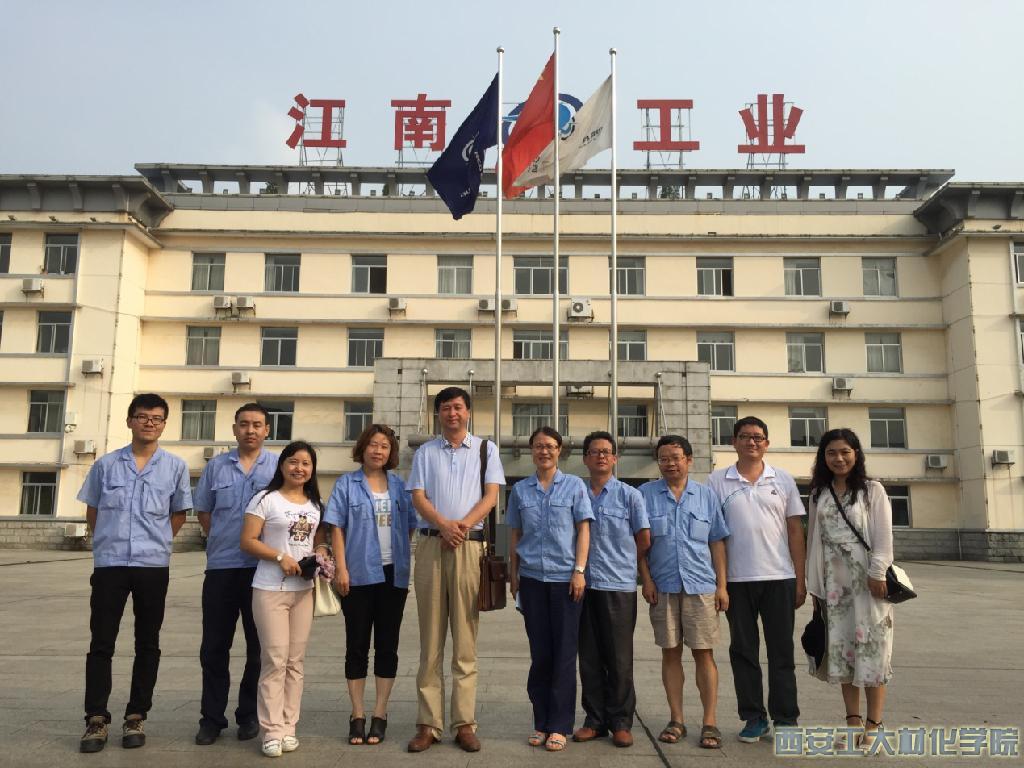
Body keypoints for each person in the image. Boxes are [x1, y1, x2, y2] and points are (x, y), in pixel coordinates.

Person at [77, 393, 192, 753]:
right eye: (142, 416)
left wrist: (157, 542)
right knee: (101, 642)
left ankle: (136, 715)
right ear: (130, 421)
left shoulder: (175, 467)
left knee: (148, 642)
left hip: (152, 566)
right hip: (110, 565)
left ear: (164, 424)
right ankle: (96, 719)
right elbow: (93, 510)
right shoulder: (106, 465)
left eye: (156, 418)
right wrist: (106, 543)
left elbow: (179, 514)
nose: (149, 423)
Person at [406, 387, 505, 754]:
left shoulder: (485, 449)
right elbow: (418, 496)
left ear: (468, 412)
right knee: (430, 640)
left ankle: (464, 723)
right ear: (438, 414)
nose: (452, 413)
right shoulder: (425, 452)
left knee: (465, 640)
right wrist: (443, 525)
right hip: (432, 545)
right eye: (446, 408)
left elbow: (491, 496)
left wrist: (459, 526)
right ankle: (428, 724)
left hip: (469, 546)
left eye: (458, 407)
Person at [707, 416, 806, 742]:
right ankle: (753, 718)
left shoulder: (783, 479)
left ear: (766, 443)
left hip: (779, 577)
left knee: (782, 653)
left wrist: (800, 579)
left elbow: (795, 531)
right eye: (745, 436)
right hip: (737, 581)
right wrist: (721, 584)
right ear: (733, 442)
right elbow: (715, 536)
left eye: (758, 437)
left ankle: (786, 719)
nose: (752, 442)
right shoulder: (717, 481)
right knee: (743, 651)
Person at [324, 424, 416, 746]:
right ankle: (357, 714)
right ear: (362, 448)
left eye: (385, 446)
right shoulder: (346, 484)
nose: (378, 450)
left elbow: (410, 526)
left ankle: (380, 713)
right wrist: (341, 568)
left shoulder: (400, 486)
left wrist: (398, 555)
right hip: (358, 574)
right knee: (357, 644)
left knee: (388, 645)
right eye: (373, 444)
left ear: (391, 453)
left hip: (394, 577)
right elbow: (336, 528)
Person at [638, 435, 729, 750]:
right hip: (662, 587)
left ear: (689, 460)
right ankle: (676, 719)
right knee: (670, 652)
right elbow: (639, 545)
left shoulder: (706, 496)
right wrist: (646, 580)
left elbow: (717, 542)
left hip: (701, 586)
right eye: (664, 458)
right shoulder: (645, 495)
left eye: (676, 457)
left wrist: (722, 586)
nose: (670, 464)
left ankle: (710, 722)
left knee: (704, 653)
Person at [193, 403, 278, 745]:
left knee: (259, 648)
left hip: (263, 571)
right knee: (214, 647)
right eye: (244, 424)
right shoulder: (216, 467)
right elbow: (204, 512)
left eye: (257, 425)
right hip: (222, 569)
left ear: (267, 430)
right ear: (234, 429)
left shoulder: (278, 467)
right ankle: (211, 719)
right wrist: (223, 540)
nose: (250, 430)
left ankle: (249, 714)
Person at [805, 428, 895, 749]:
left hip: (868, 583)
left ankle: (875, 724)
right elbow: (813, 540)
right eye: (831, 453)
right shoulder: (819, 493)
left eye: (845, 452)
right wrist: (814, 586)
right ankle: (853, 723)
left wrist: (878, 572)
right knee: (844, 654)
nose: (839, 458)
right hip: (834, 587)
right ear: (823, 457)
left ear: (856, 454)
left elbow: (883, 537)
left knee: (872, 651)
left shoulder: (872, 490)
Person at [507, 426, 593, 753]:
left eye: (550, 446)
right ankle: (540, 722)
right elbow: (515, 534)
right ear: (532, 451)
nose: (544, 451)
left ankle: (559, 725)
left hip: (565, 580)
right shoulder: (520, 490)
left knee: (564, 655)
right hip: (532, 580)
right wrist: (514, 574)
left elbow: (583, 530)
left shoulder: (574, 486)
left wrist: (579, 571)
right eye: (539, 446)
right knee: (540, 654)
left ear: (560, 451)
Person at [239, 441, 327, 758]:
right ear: (282, 466)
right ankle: (272, 730)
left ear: (312, 470)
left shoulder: (316, 505)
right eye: (293, 462)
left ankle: (289, 726)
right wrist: (280, 557)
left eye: (305, 463)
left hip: (303, 591)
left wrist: (321, 555)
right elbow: (247, 541)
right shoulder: (265, 499)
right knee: (275, 660)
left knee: (295, 662)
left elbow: (319, 542)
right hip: (270, 589)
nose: (299, 468)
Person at [573, 430, 649, 748]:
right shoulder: (575, 492)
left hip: (618, 586)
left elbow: (643, 538)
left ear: (615, 458)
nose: (601, 456)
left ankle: (620, 721)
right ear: (585, 459)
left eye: (606, 451)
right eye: (595, 451)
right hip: (582, 585)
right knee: (589, 657)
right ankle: (595, 720)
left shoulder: (630, 495)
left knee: (619, 658)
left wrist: (625, 564)